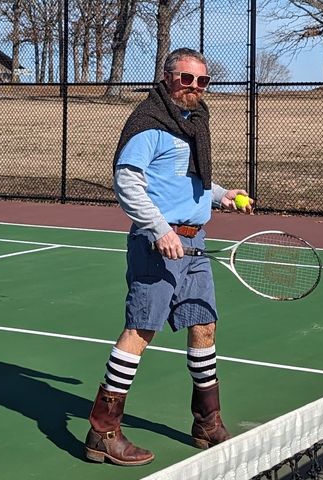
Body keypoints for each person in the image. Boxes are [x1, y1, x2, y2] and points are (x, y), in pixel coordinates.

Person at [85, 48, 253, 466]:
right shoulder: (148, 124)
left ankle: (206, 422)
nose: (194, 87)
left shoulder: (193, 125)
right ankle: (102, 432)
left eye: (202, 81)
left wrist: (223, 195)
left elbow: (188, 181)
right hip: (156, 246)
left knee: (204, 326)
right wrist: (159, 230)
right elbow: (127, 182)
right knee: (141, 331)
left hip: (195, 245)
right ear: (167, 78)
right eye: (185, 78)